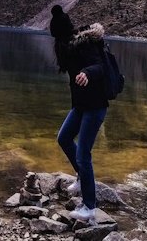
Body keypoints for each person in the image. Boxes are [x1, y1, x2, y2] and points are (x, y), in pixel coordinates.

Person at [56, 22, 108, 222]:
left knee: (83, 154)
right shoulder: (65, 49)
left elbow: (100, 66)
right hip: (81, 105)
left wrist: (87, 73)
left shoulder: (83, 44)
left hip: (95, 105)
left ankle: (89, 207)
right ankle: (82, 177)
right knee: (64, 138)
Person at [50, 5, 74, 73]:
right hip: (68, 39)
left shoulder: (53, 20)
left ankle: (62, 67)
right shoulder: (65, 16)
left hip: (60, 41)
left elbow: (53, 33)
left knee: (61, 57)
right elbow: (70, 27)